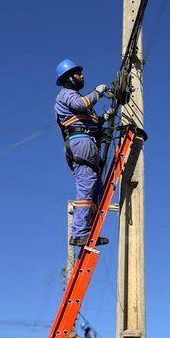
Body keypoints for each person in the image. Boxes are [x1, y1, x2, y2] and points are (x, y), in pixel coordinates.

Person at [54, 58, 111, 247]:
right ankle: (80, 232)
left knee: (98, 192)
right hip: (81, 143)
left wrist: (104, 119)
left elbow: (86, 118)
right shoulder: (66, 94)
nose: (82, 76)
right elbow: (81, 105)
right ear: (68, 77)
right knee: (87, 187)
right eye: (78, 73)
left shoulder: (74, 98)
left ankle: (90, 231)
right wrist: (98, 92)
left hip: (88, 143)